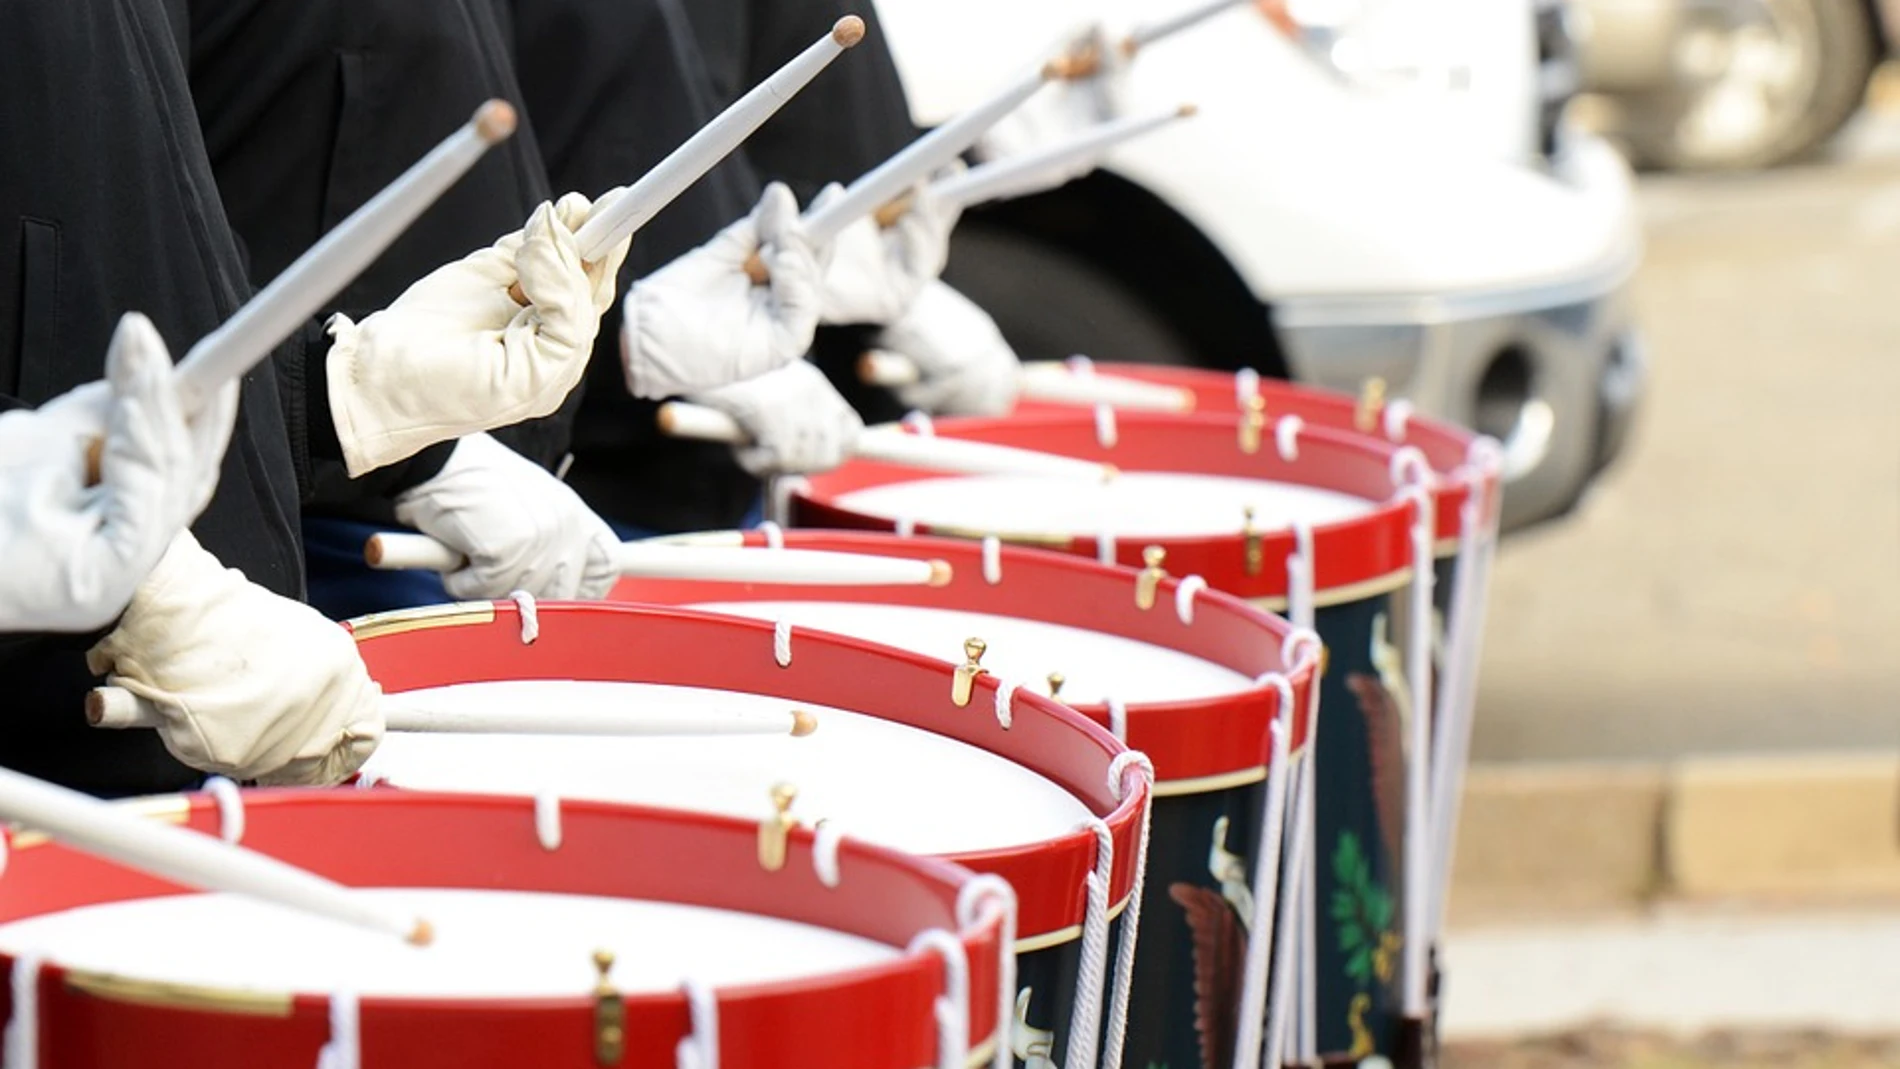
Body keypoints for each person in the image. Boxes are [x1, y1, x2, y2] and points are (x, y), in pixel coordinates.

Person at [0, 0, 611, 794]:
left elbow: (137, 236)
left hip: (230, 673)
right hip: (59, 733)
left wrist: (339, 389)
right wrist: (51, 540)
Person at [193, 0, 824, 613]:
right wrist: (379, 431)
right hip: (329, 529)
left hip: (528, 497)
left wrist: (620, 336)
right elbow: (147, 236)